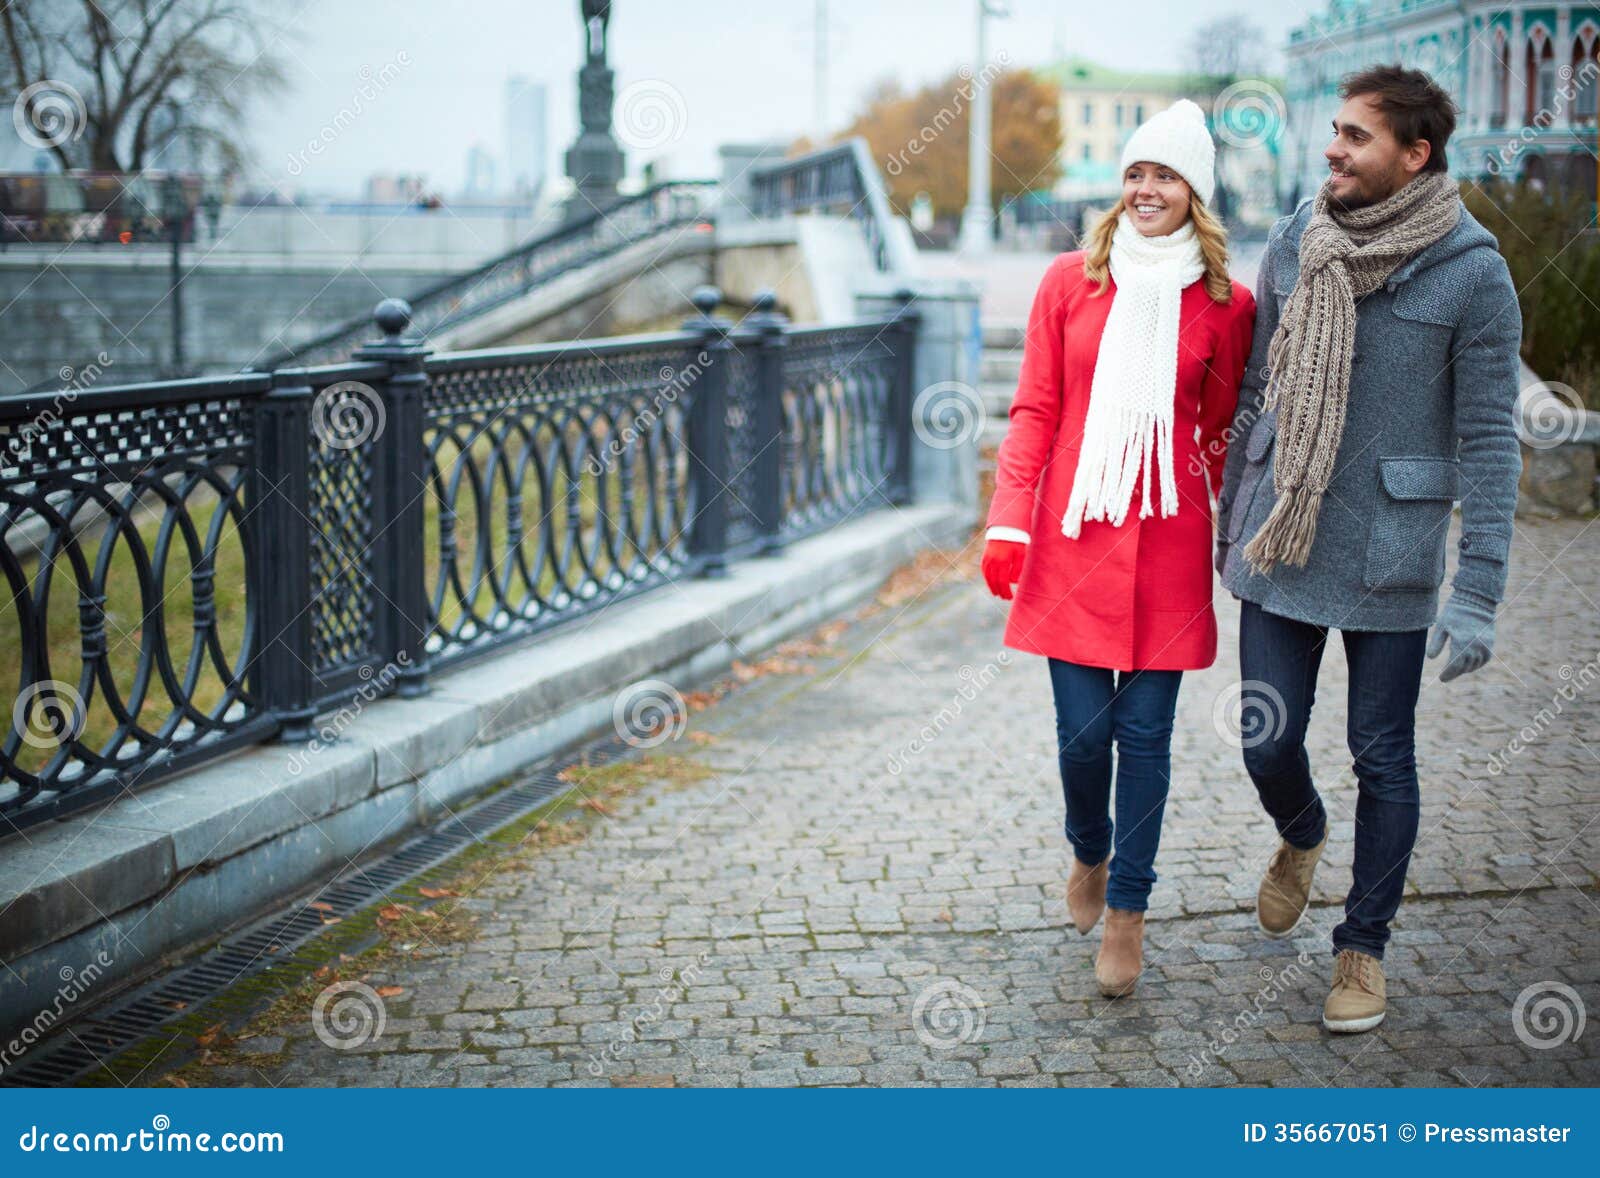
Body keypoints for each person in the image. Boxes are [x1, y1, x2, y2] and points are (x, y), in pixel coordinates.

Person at [1214, 65, 1522, 1033]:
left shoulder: (1474, 271)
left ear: (1414, 154)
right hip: (1282, 530)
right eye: (1333, 130)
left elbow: (1487, 437)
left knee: (1381, 754)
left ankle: (1363, 944)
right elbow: (1256, 391)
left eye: (1354, 136)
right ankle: (1299, 833)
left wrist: (1477, 591)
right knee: (1265, 735)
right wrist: (1232, 518)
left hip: (1392, 547)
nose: (1331, 148)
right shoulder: (1296, 238)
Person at [981, 99, 1256, 998]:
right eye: (1136, 173)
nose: (1146, 189)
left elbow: (1217, 426)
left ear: (1195, 196)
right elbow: (1036, 408)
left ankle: (1129, 911)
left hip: (1168, 537)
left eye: (1165, 176)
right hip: (1071, 535)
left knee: (1145, 737)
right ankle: (1088, 851)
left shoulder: (1225, 304)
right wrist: (1009, 516)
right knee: (1080, 737)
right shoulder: (1070, 280)